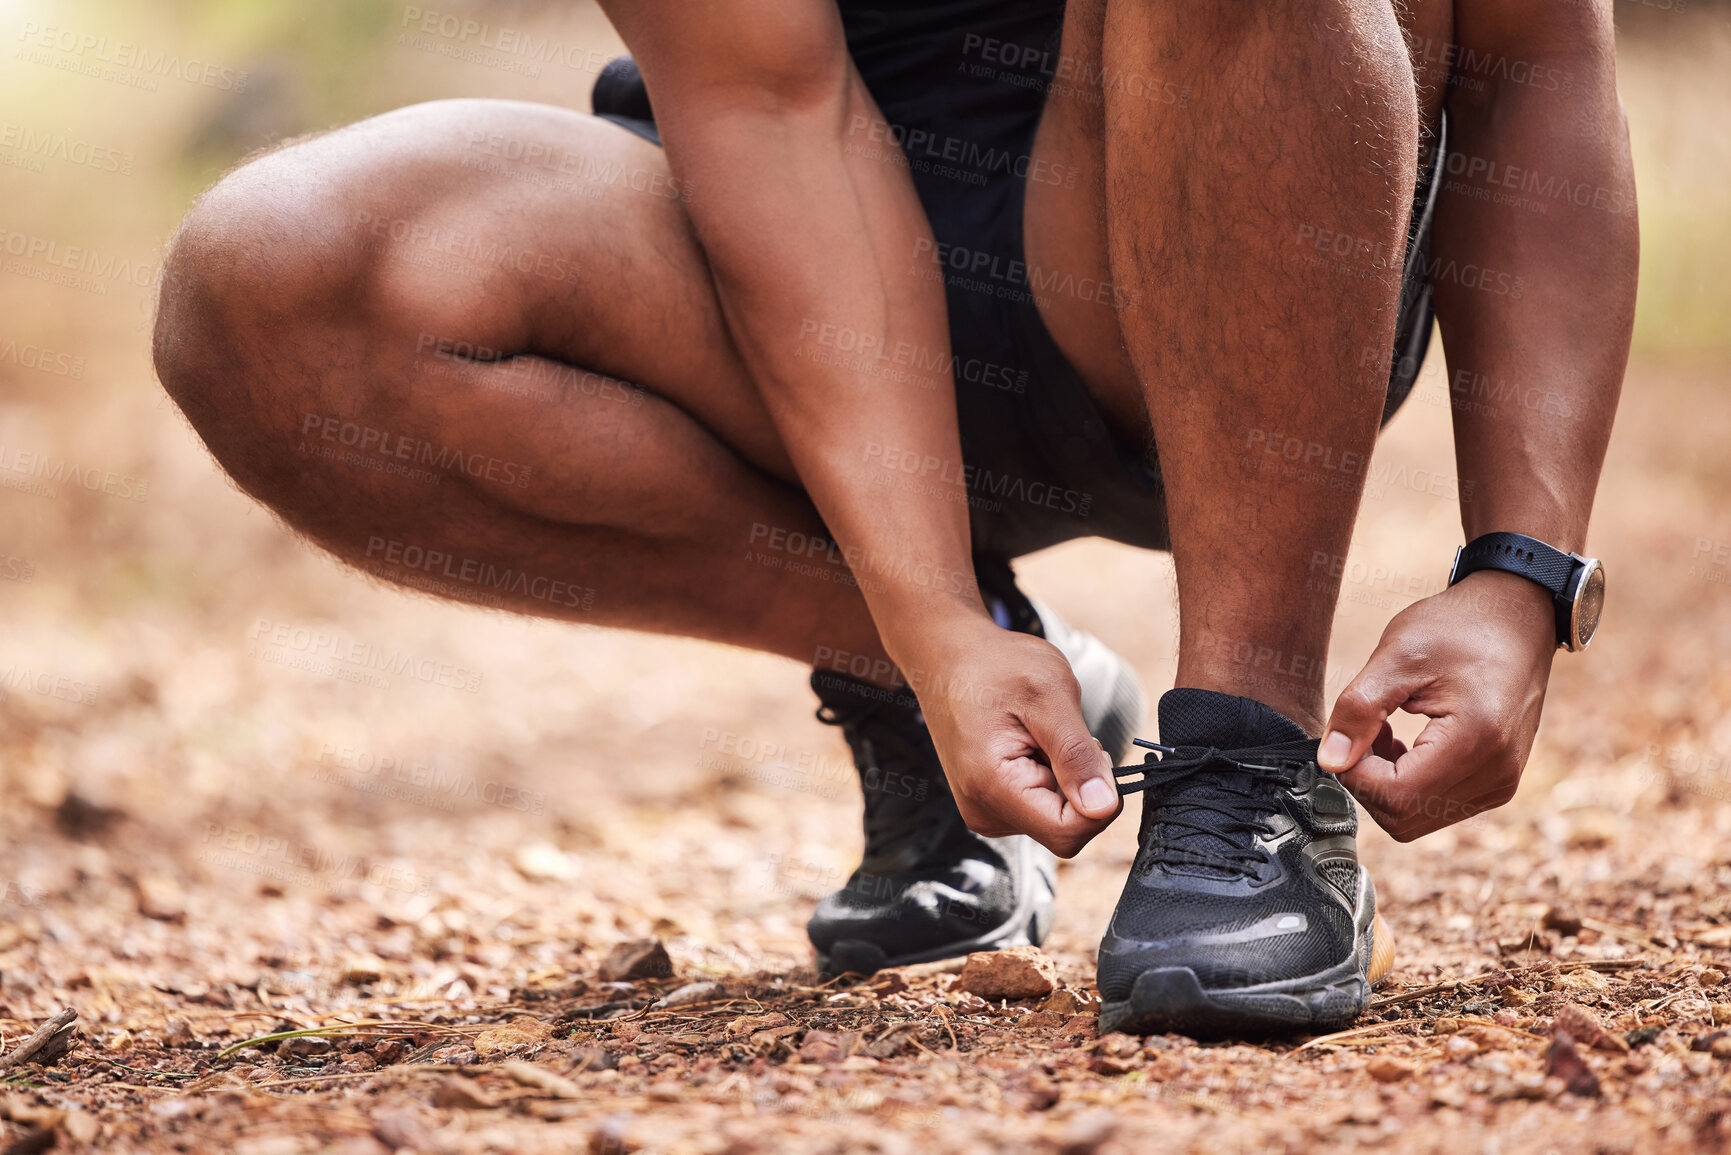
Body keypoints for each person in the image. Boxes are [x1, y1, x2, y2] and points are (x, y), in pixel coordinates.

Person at [150, 0, 1635, 1037]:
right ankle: (954, 673)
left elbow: (1540, 53)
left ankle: (1243, 759)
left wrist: (1521, 571)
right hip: (790, 286)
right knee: (274, 285)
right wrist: (931, 621)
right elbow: (772, 108)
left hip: (1248, 230)